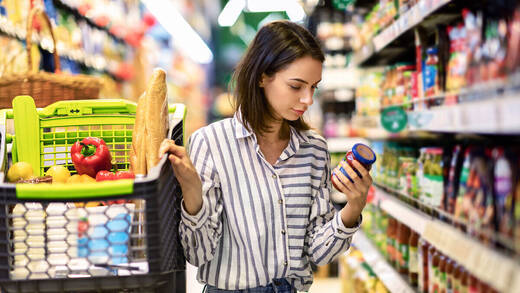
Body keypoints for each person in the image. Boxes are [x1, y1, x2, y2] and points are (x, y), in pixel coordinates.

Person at [159, 20, 372, 293]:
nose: (307, 99)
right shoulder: (210, 143)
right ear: (262, 76)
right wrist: (192, 193)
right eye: (296, 86)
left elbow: (319, 253)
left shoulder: (314, 149)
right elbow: (198, 254)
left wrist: (353, 208)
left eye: (313, 87)